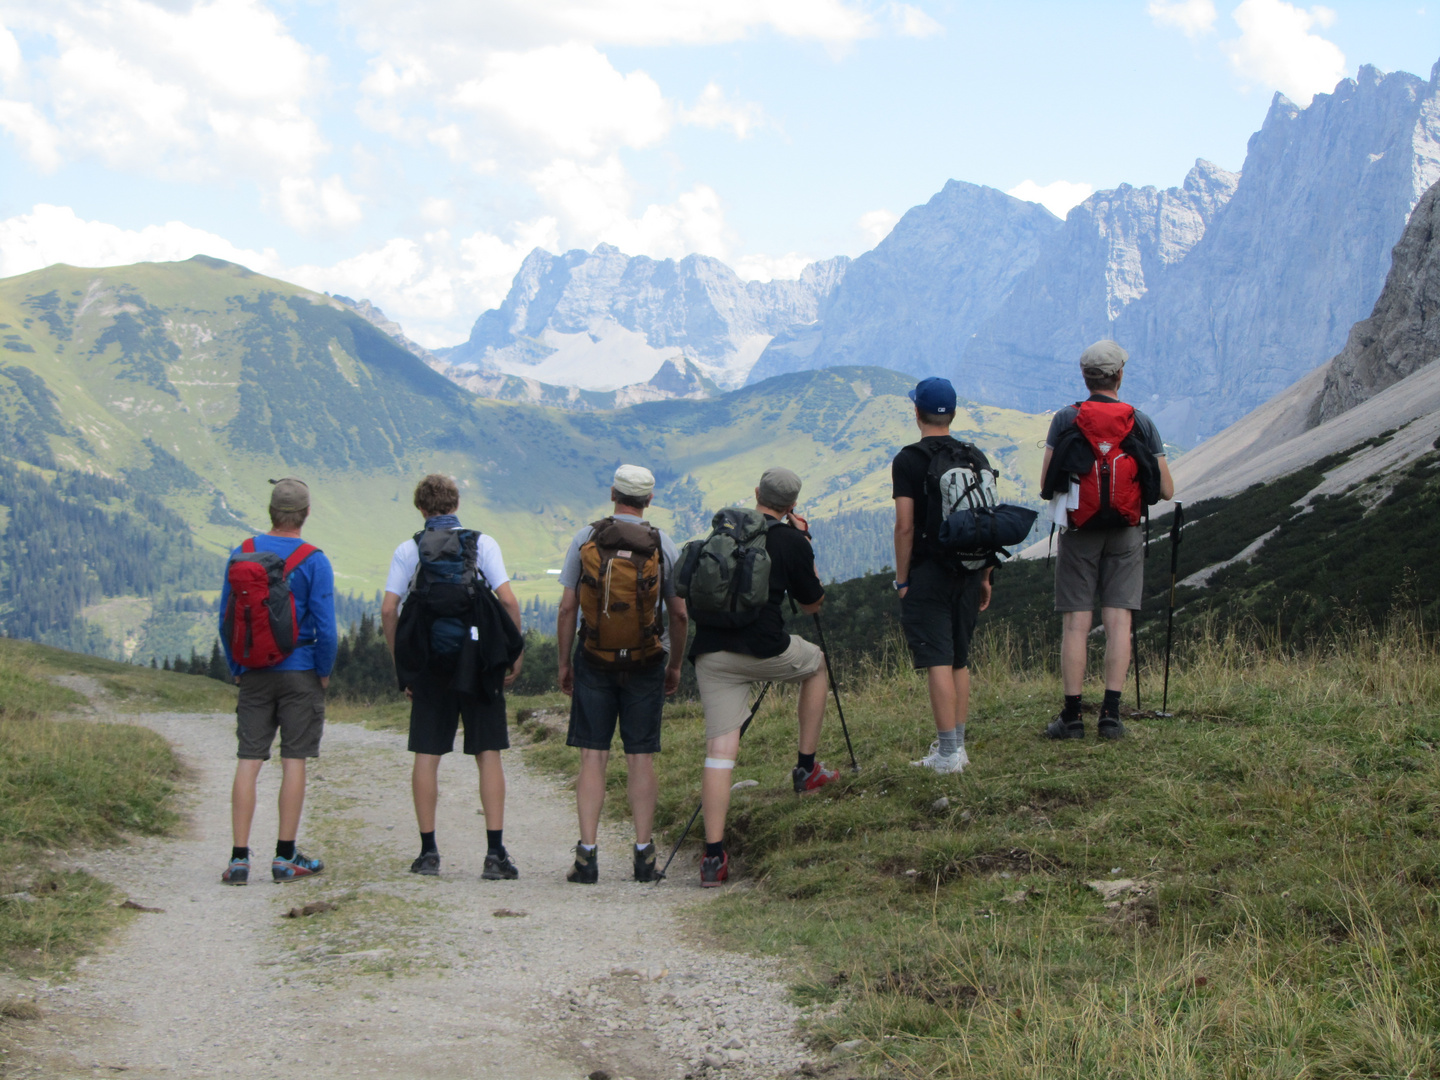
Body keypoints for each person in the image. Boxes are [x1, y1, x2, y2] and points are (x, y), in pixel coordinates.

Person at [691, 467, 838, 887]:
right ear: (791, 506)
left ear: (756, 493)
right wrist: (803, 541)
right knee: (817, 664)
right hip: (766, 649)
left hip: (712, 653)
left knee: (720, 752)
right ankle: (806, 768)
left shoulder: (723, 531)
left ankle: (713, 858)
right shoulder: (791, 540)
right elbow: (813, 605)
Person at [381, 474, 525, 880]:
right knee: (488, 753)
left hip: (429, 665)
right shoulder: (483, 544)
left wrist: (403, 663)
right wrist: (512, 654)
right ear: (456, 503)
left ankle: (428, 853)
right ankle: (495, 854)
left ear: (421, 509)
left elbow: (389, 609)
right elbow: (509, 601)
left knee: (427, 754)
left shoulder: (409, 549)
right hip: (478, 663)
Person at [555, 465, 689, 884]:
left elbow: (566, 608)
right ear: (649, 500)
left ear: (613, 493)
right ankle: (644, 856)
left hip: (594, 660)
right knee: (640, 757)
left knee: (593, 756)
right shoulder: (662, 543)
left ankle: (587, 857)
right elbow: (680, 612)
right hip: (647, 662)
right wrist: (674, 664)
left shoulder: (586, 538)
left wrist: (564, 662)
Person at [1040, 341, 1174, 740]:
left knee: (1076, 625)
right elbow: (1166, 489)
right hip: (1125, 533)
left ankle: (1072, 717)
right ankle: (1111, 717)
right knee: (1119, 621)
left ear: (1085, 377)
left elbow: (1048, 485)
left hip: (1080, 533)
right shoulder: (1141, 421)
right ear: (1120, 375)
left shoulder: (1066, 419)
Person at [219, 477, 337, 885]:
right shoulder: (315, 560)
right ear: (305, 514)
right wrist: (323, 671)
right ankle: (285, 856)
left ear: (271, 512)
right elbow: (326, 626)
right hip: (300, 670)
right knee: (294, 761)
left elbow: (225, 617)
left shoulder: (242, 553)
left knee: (248, 760)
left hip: (253, 671)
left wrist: (238, 666)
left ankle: (238, 859)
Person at [891, 377, 996, 776]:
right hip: (969, 568)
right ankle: (958, 748)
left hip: (929, 570)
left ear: (916, 413)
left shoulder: (909, 459)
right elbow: (986, 520)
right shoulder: (974, 455)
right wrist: (985, 575)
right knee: (959, 659)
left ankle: (949, 755)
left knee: (937, 657)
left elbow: (904, 526)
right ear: (952, 413)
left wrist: (903, 580)